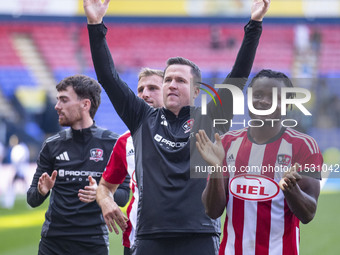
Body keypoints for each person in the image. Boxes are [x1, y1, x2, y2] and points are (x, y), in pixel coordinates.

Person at [84, 0, 270, 254]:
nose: (171, 84)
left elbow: (238, 76)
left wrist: (255, 24)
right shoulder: (141, 118)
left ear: (195, 92)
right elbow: (108, 77)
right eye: (168, 79)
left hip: (200, 235)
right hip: (150, 237)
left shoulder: (210, 117)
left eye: (180, 80)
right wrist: (95, 25)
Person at [196, 69, 323, 255]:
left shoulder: (303, 146)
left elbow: (308, 214)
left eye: (274, 97)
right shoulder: (227, 143)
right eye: (258, 95)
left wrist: (291, 189)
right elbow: (212, 211)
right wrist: (216, 169)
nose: (264, 101)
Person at [27, 75, 130, 255]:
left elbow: (124, 195)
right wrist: (42, 191)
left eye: (64, 100)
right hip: (53, 242)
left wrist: (102, 192)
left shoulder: (113, 144)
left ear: (85, 104)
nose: (57, 106)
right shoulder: (52, 144)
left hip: (92, 243)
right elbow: (32, 199)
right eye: (58, 99)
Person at [98, 68, 164, 255]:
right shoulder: (125, 141)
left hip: (183, 240)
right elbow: (105, 186)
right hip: (137, 239)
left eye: (152, 88)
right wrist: (105, 201)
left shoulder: (193, 135)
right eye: (141, 89)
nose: (144, 94)